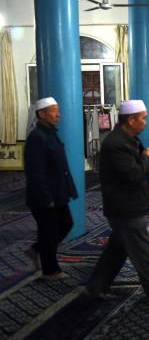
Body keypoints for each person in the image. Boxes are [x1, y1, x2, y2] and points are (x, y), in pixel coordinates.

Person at [85, 100, 149, 308]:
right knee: (143, 253)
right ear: (131, 120)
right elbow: (132, 173)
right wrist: (148, 159)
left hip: (127, 205)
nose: (146, 122)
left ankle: (96, 286)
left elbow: (136, 173)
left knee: (117, 250)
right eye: (143, 118)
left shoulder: (130, 139)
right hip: (124, 209)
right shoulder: (116, 143)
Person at [24, 97, 78, 280]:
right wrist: (46, 197)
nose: (59, 114)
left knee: (64, 224)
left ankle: (37, 250)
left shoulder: (50, 133)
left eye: (58, 110)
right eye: (54, 110)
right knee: (49, 231)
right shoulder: (37, 137)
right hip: (43, 196)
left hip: (57, 193)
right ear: (42, 114)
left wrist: (68, 190)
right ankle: (50, 270)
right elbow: (35, 172)